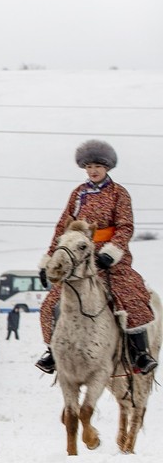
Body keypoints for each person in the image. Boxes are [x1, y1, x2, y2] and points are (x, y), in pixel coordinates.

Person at [35, 140, 157, 375]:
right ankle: (52, 351)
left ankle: (139, 353)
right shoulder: (78, 194)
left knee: (131, 295)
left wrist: (111, 253)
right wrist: (50, 260)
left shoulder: (119, 193)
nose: (93, 171)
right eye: (89, 166)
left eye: (98, 166)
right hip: (78, 258)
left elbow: (125, 227)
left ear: (107, 167)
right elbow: (63, 228)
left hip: (109, 259)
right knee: (51, 303)